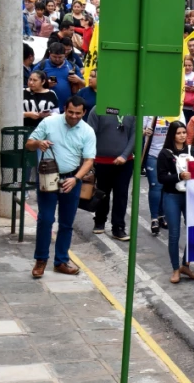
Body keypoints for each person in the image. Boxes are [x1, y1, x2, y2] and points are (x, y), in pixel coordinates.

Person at [26, 96, 95, 278]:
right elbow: (29, 144)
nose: (73, 116)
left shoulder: (87, 131)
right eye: (70, 112)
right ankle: (41, 260)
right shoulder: (48, 122)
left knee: (66, 222)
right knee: (46, 219)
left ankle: (61, 261)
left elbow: (89, 161)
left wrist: (76, 179)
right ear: (65, 108)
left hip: (70, 179)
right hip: (47, 178)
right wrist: (38, 143)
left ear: (84, 113)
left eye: (77, 113)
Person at [156, 121, 194, 284]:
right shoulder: (165, 153)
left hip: (191, 196)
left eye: (184, 132)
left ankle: (186, 265)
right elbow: (161, 178)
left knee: (193, 232)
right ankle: (176, 268)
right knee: (174, 234)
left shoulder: (192, 150)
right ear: (172, 135)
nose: (182, 135)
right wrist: (179, 177)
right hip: (172, 197)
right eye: (178, 133)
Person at [86, 112, 135, 241]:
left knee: (121, 194)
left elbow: (134, 135)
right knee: (102, 192)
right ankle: (100, 220)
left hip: (125, 162)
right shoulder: (98, 109)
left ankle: (118, 227)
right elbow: (89, 135)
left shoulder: (132, 111)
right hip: (102, 161)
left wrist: (124, 155)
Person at [143, 116, 173, 236]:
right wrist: (145, 132)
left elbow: (181, 129)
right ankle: (154, 219)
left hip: (169, 155)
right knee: (156, 186)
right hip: (152, 154)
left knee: (166, 186)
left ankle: (162, 215)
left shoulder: (175, 110)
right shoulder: (149, 112)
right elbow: (138, 129)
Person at [35, 42, 84, 108]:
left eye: (60, 57)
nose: (57, 59)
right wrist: (45, 84)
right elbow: (31, 84)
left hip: (66, 107)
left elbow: (84, 85)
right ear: (50, 54)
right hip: (46, 107)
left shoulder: (72, 66)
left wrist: (78, 80)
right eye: (54, 57)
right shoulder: (41, 66)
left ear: (65, 55)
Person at [182, 57, 194, 122]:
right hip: (181, 107)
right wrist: (183, 88)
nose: (187, 67)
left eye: (189, 65)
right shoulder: (179, 75)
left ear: (193, 65)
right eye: (185, 65)